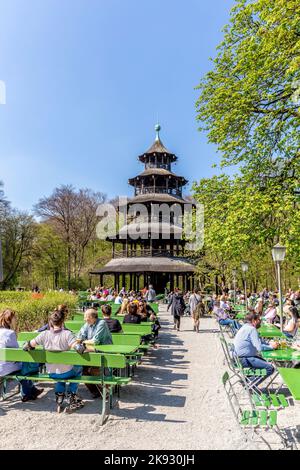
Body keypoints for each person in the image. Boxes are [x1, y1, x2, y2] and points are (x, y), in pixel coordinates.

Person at [23, 310, 83, 413]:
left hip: (51, 373)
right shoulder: (67, 334)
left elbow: (27, 346)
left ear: (50, 321)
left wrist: (29, 346)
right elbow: (78, 348)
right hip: (67, 372)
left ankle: (60, 396)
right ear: (63, 321)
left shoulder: (44, 334)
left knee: (59, 370)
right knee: (78, 367)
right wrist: (82, 347)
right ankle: (72, 394)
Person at [0, 309, 44, 403]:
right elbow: (17, 354)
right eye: (14, 318)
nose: (16, 320)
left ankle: (30, 392)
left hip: (2, 364)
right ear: (10, 320)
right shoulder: (10, 333)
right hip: (5, 367)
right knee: (26, 366)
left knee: (23, 366)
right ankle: (27, 393)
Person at [233, 312, 278, 386]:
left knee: (264, 362)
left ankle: (248, 380)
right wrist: (272, 347)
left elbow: (258, 341)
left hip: (238, 358)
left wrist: (269, 344)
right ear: (254, 320)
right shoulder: (251, 329)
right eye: (259, 320)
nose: (260, 322)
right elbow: (259, 348)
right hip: (243, 359)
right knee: (270, 368)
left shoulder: (245, 327)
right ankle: (251, 385)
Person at [76, 308, 112, 398]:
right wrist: (78, 341)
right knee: (83, 370)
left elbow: (95, 341)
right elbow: (80, 336)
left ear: (92, 317)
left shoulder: (101, 323)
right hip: (91, 351)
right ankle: (96, 391)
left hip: (104, 352)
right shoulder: (87, 324)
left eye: (86, 317)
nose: (84, 319)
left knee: (94, 369)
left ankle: (105, 390)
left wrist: (83, 342)